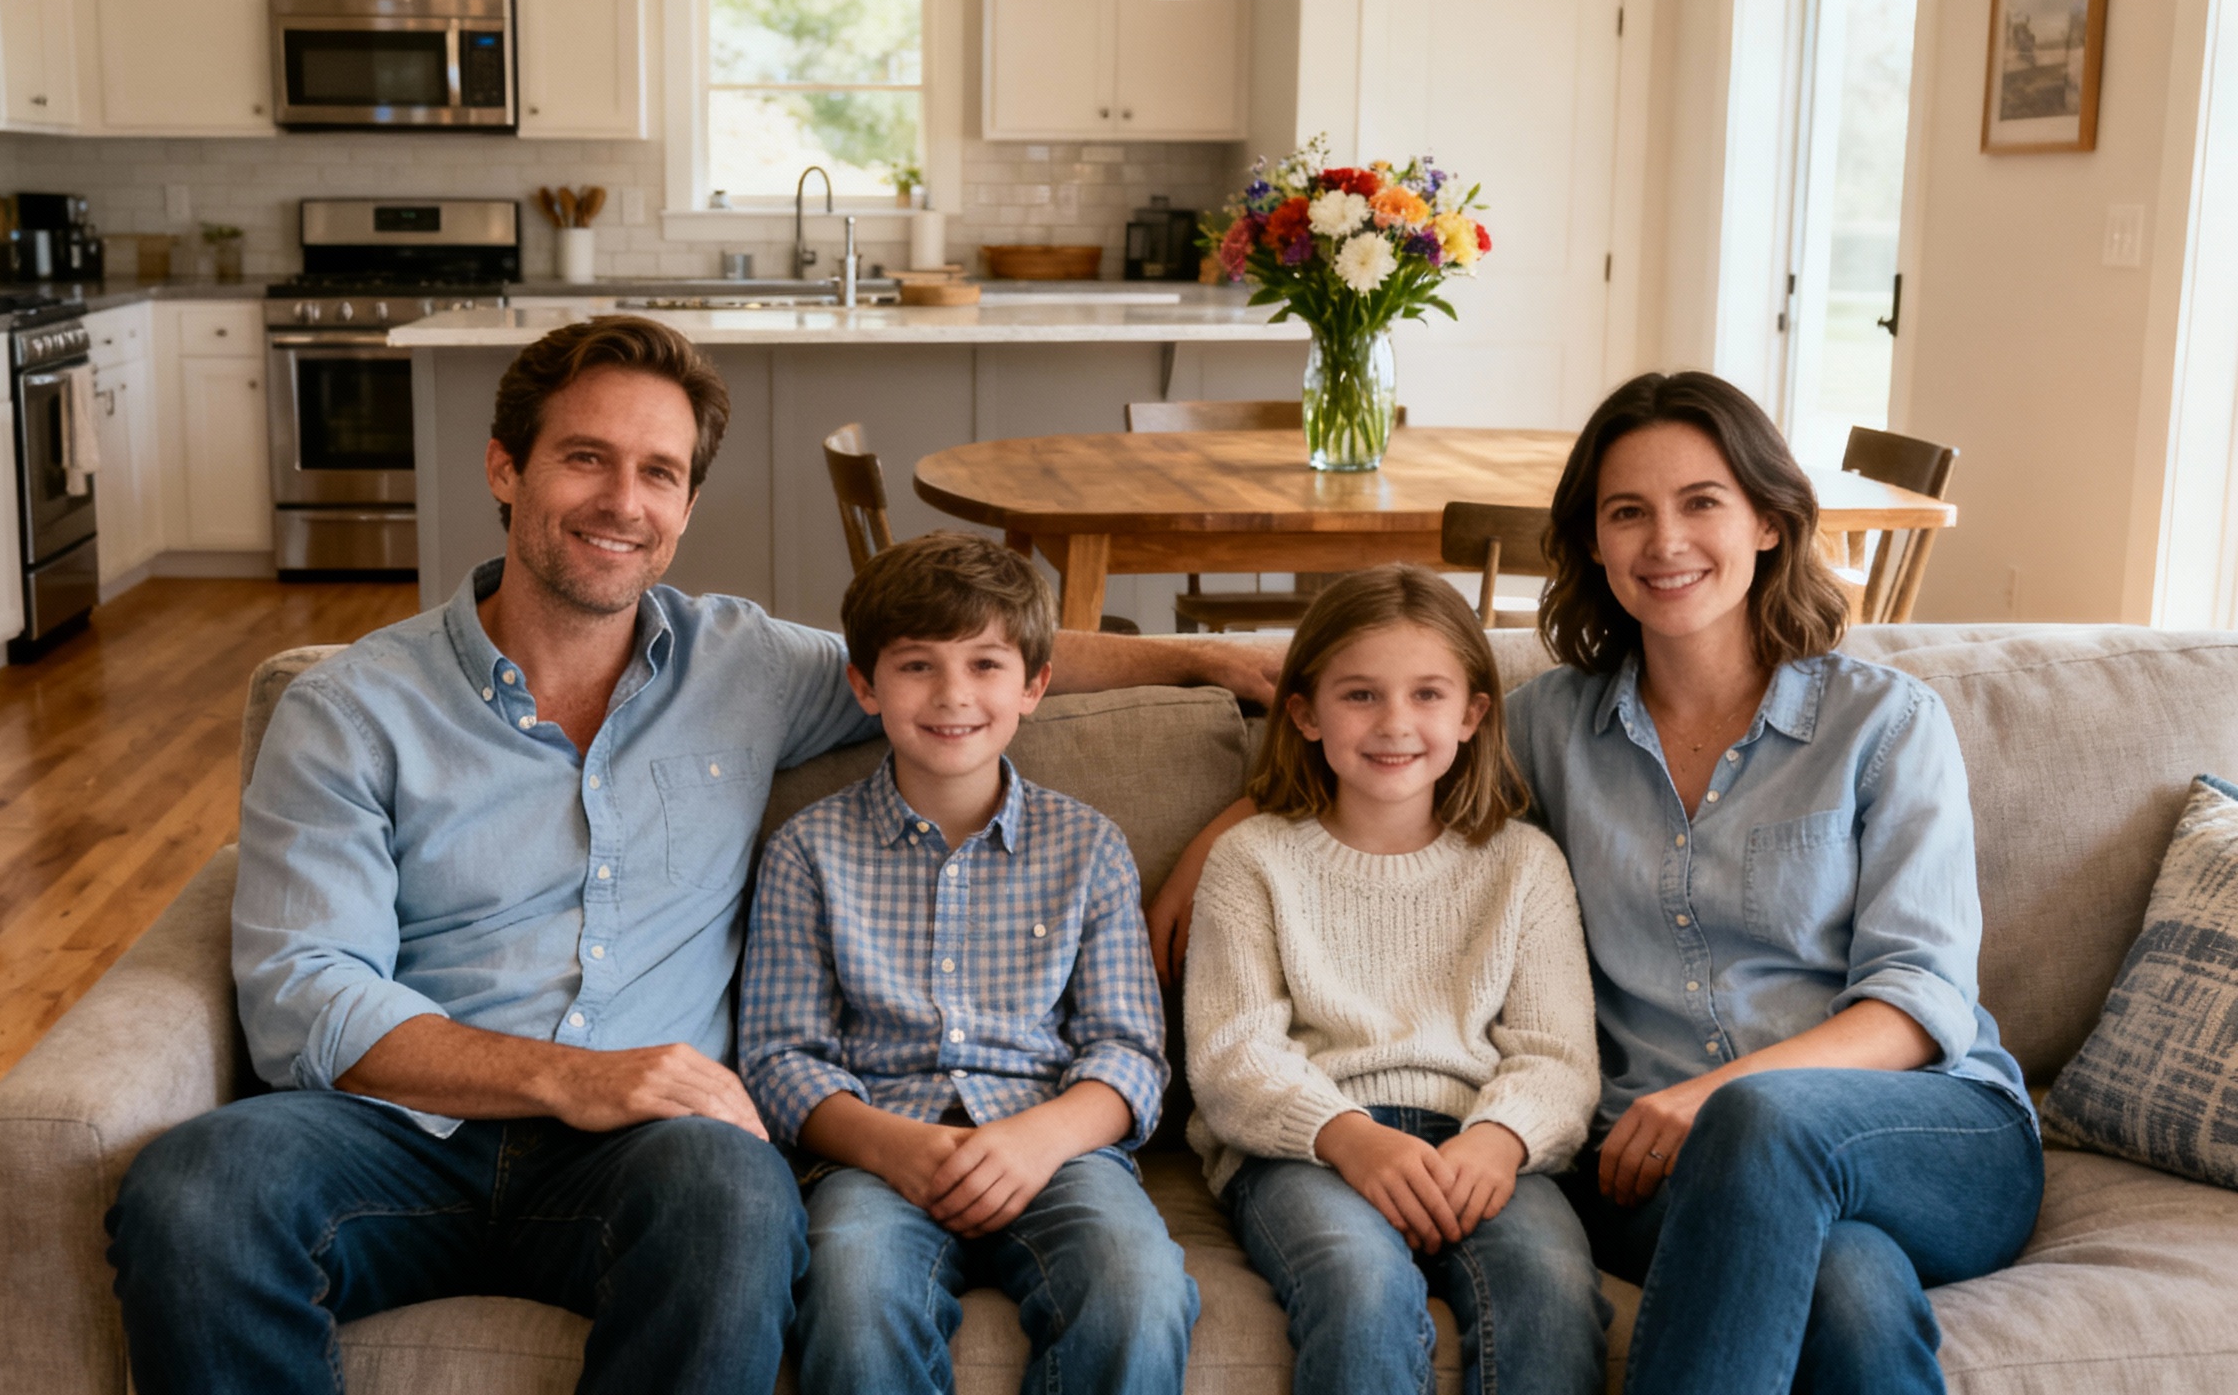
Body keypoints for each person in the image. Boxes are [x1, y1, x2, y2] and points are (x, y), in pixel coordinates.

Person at [102, 316, 1277, 1395]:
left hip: (648, 1162)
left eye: (658, 472)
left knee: (732, 1194)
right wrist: (566, 1075)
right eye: (585, 458)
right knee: (195, 1188)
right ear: (505, 468)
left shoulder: (742, 664)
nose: (622, 501)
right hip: (399, 1136)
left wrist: (1207, 662)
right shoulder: (351, 708)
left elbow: (960, 652)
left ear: (686, 503)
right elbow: (303, 993)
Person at [1505, 371, 2041, 1395]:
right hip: (1649, 1166)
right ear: (1592, 542)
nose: (1664, 541)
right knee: (1849, 1289)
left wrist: (1714, 1097)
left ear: (1767, 521)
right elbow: (1378, 764)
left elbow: (1922, 997)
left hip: (1929, 1129)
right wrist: (1220, 814)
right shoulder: (1543, 730)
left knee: (1759, 1119)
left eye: (1701, 502)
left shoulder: (1885, 723)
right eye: (1628, 512)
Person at [739, 531, 1196, 1395]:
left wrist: (1039, 1139)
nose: (953, 694)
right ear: (865, 686)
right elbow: (779, 1058)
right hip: (879, 1151)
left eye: (985, 665)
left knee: (1136, 1288)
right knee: (854, 1293)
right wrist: (895, 1148)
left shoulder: (1089, 847)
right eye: (917, 666)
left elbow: (1131, 1051)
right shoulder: (807, 850)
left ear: (1034, 686)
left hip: (1055, 1147)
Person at [1182, 564, 1607, 1395]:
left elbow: (1559, 1056)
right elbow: (1233, 1056)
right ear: (1305, 713)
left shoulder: (1525, 864)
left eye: (1427, 695)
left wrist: (1501, 1139)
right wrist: (1351, 1138)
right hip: (1306, 1148)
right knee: (1360, 1285)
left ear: (1472, 714)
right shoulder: (1251, 859)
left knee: (1549, 1289)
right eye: (1360, 695)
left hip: (1483, 1138)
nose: (1395, 723)